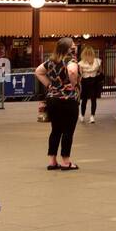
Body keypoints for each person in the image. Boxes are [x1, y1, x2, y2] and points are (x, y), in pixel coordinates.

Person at [36, 37, 80, 171]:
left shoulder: (50, 61)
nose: (75, 47)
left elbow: (38, 71)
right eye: (73, 45)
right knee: (68, 131)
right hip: (68, 100)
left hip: (52, 100)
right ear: (69, 48)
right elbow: (72, 71)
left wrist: (50, 85)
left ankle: (52, 161)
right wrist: (73, 85)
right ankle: (66, 162)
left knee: (55, 130)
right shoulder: (70, 60)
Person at [77, 45, 102, 124]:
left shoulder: (81, 63)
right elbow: (100, 71)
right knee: (93, 99)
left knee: (84, 99)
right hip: (94, 81)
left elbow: (80, 73)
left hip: (85, 81)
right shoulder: (97, 61)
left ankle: (82, 115)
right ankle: (92, 117)